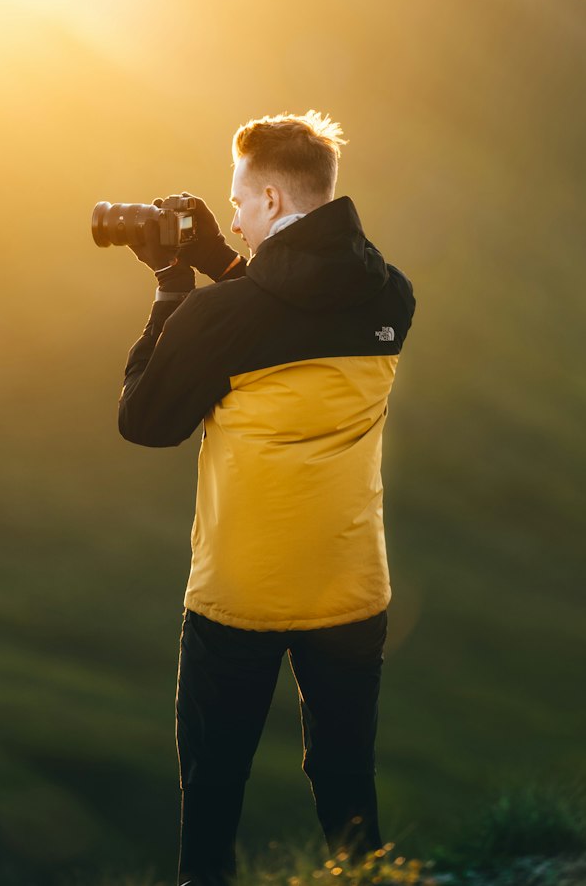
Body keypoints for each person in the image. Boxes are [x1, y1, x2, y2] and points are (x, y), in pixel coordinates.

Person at [117, 111, 416, 886]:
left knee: (214, 794)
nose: (239, 219)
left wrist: (172, 287)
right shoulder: (393, 296)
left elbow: (145, 422)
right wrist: (224, 256)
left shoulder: (220, 316)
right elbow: (294, 307)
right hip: (353, 588)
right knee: (348, 783)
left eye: (243, 204)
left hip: (238, 597)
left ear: (276, 202)